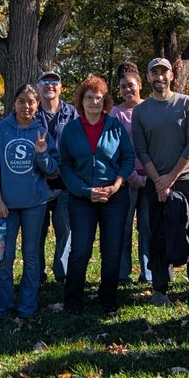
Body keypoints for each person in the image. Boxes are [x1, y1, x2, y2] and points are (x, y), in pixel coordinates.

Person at [131, 58, 189, 312]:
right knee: (157, 235)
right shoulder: (141, 111)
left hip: (186, 180)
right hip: (155, 183)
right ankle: (160, 289)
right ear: (148, 77)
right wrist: (158, 181)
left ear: (172, 76)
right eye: (154, 73)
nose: (159, 77)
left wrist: (170, 178)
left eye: (164, 72)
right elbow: (141, 150)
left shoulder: (187, 104)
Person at [59, 76, 135, 314]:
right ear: (81, 101)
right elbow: (65, 166)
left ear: (105, 101)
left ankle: (108, 299)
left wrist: (117, 184)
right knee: (80, 249)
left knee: (112, 250)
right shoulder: (71, 129)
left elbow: (128, 158)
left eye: (98, 98)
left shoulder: (115, 126)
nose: (94, 102)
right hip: (82, 197)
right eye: (89, 98)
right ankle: (73, 301)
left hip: (114, 196)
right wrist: (84, 191)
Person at [0, 85, 58, 321]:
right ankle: (3, 307)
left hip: (34, 204)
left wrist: (41, 152)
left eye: (31, 102)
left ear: (37, 105)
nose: (26, 106)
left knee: (31, 256)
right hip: (6, 206)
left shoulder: (41, 131)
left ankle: (27, 306)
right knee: (5, 257)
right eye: (21, 101)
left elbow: (52, 170)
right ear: (14, 103)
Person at [36, 70, 77, 284]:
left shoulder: (71, 113)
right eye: (45, 82)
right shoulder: (32, 113)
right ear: (38, 88)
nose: (49, 86)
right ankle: (37, 273)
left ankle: (62, 273)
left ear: (61, 88)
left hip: (65, 182)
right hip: (38, 182)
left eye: (54, 82)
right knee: (37, 231)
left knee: (65, 230)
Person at [110, 62, 150, 283]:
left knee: (147, 227)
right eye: (123, 87)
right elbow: (112, 149)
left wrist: (149, 175)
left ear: (140, 85)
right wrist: (131, 176)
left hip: (151, 177)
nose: (127, 90)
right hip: (126, 179)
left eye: (131, 85)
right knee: (123, 227)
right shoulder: (115, 114)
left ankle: (148, 272)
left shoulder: (151, 108)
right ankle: (122, 273)